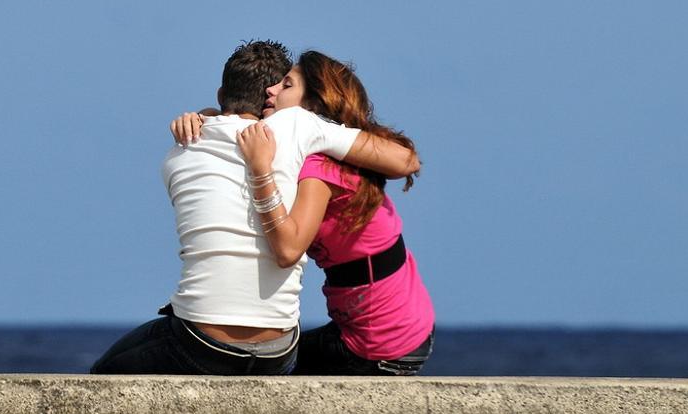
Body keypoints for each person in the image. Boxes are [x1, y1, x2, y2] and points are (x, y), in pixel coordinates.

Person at [90, 41, 419, 375]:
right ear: (267, 99)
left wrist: (207, 117)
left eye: (287, 85)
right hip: (279, 350)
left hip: (202, 342)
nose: (277, 90)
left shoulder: (178, 153)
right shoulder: (301, 129)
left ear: (222, 94)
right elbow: (405, 160)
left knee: (103, 375)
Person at [235, 50, 434, 375]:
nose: (271, 90)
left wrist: (260, 174)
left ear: (312, 106)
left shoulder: (319, 168)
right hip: (405, 328)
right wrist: (204, 116)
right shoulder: (329, 157)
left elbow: (288, 249)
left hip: (381, 343)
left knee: (262, 366)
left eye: (286, 85)